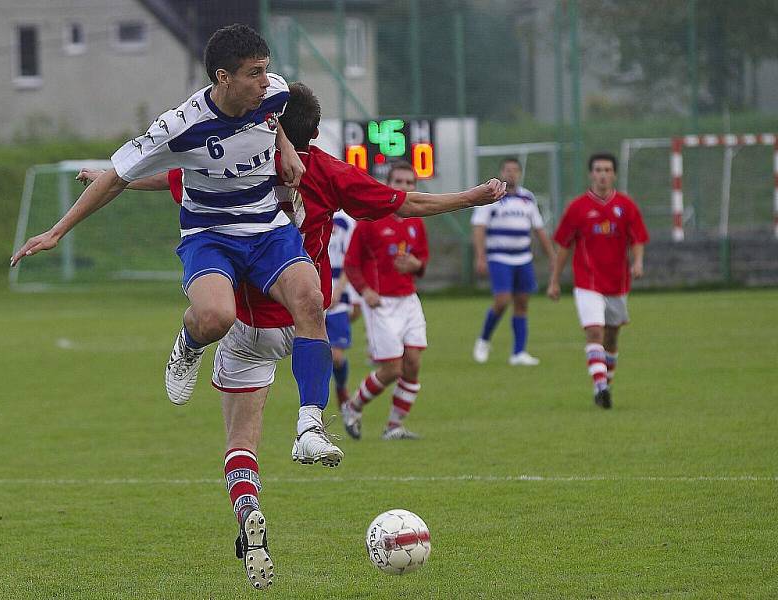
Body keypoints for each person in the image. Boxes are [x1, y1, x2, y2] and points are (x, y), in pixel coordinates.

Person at [77, 82, 507, 589]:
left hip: (246, 326)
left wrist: (115, 179)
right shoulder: (327, 171)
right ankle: (311, 423)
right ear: (317, 132)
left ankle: (248, 511)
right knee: (325, 335)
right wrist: (470, 198)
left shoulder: (238, 158)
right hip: (305, 325)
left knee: (241, 439)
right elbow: (406, 203)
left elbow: (176, 178)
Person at [9, 25, 345, 479]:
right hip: (211, 235)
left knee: (310, 300)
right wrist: (56, 232)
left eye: (267, 70)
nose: (266, 81)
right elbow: (117, 176)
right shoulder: (180, 127)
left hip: (267, 228)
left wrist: (285, 147)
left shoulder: (272, 94)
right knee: (216, 319)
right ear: (222, 78)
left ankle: (310, 426)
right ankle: (188, 343)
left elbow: (278, 112)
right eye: (254, 73)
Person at [547, 152, 649, 409]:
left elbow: (637, 238)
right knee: (594, 332)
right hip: (587, 283)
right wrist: (555, 281)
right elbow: (563, 246)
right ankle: (600, 385)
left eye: (607, 170)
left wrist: (638, 262)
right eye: (598, 170)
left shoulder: (626, 205)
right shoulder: (578, 207)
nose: (602, 175)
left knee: (612, 338)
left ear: (614, 174)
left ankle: (605, 384)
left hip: (617, 283)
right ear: (591, 174)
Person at [341, 161, 431, 441]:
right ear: (388, 185)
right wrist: (365, 290)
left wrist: (416, 265)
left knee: (413, 362)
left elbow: (423, 261)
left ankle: (394, 426)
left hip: (408, 300)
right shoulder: (370, 220)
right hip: (381, 304)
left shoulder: (417, 221)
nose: (404, 187)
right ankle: (352, 406)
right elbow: (352, 263)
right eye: (399, 182)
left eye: (409, 183)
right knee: (393, 369)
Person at [471, 157, 555, 366]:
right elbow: (479, 227)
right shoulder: (492, 196)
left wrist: (553, 256)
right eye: (508, 170)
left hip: (523, 257)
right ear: (502, 172)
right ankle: (484, 339)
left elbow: (539, 229)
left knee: (522, 303)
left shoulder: (527, 198)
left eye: (515, 170)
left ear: (520, 173)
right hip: (499, 256)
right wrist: (480, 255)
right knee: (502, 301)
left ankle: (518, 353)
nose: (511, 174)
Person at [326, 210, 358, 407]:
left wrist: (338, 290)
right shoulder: (308, 212)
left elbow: (351, 261)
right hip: (313, 292)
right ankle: (312, 406)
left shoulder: (346, 222)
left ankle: (341, 387)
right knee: (315, 352)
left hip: (338, 296)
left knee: (336, 357)